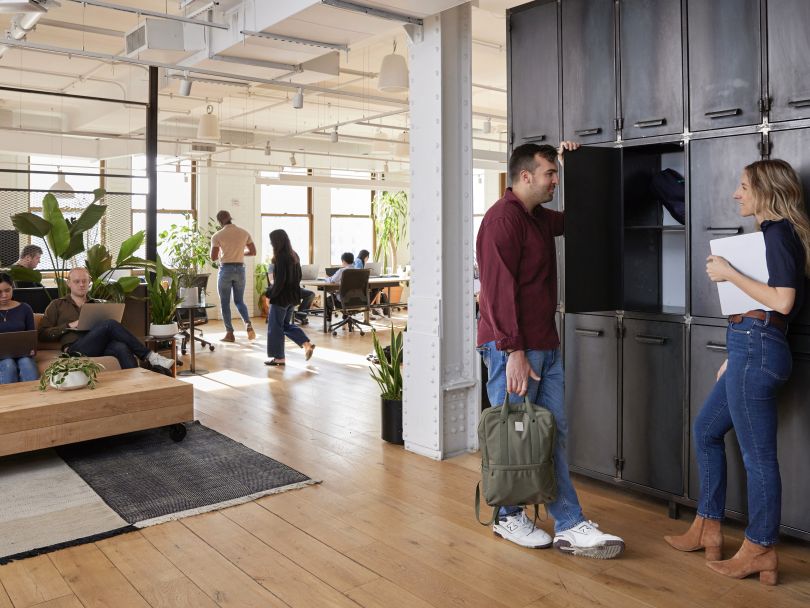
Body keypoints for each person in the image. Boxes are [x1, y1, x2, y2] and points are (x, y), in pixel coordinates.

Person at [476, 142, 625, 559]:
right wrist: (514, 352)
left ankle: (569, 523)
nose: (554, 181)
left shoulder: (538, 218)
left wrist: (575, 164)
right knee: (516, 439)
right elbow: (496, 292)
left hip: (545, 343)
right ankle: (507, 516)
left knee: (551, 434)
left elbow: (580, 219)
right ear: (526, 176)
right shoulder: (501, 222)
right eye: (549, 174)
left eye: (556, 175)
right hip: (515, 347)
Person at [665, 159, 810, 585]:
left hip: (758, 348)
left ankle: (761, 548)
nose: (736, 194)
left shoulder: (779, 232)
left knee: (758, 457)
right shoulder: (776, 233)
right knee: (706, 431)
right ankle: (708, 526)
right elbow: (772, 310)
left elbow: (782, 302)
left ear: (765, 190)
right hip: (752, 345)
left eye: (744, 186)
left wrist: (729, 273)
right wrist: (738, 348)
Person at [39, 267, 175, 374]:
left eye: (84, 281)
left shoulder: (97, 304)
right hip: (76, 349)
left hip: (100, 345)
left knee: (121, 347)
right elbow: (42, 333)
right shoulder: (57, 304)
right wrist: (70, 325)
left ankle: (135, 385)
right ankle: (150, 356)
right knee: (109, 324)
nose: (81, 285)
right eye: (77, 281)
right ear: (69, 283)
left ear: (89, 283)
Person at [265, 229, 315, 366]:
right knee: (285, 325)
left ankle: (279, 358)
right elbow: (298, 277)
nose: (271, 244)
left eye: (272, 241)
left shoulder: (280, 257)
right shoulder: (294, 255)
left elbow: (280, 281)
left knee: (275, 327)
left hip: (281, 298)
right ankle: (306, 344)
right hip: (292, 297)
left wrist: (270, 293)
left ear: (277, 242)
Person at [210, 210, 256, 343]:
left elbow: (213, 257)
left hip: (226, 270)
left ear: (219, 221)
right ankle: (248, 324)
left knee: (225, 302)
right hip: (240, 269)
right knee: (239, 301)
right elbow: (253, 252)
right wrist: (240, 253)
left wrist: (221, 254)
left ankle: (230, 333)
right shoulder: (244, 232)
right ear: (231, 218)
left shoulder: (217, 235)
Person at [0, 272, 38, 384]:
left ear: (13, 288)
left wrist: (32, 350)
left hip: (24, 354)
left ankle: (35, 398)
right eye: (0, 292)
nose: (4, 295)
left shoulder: (25, 308)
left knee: (26, 362)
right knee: (8, 364)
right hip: (1, 357)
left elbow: (31, 335)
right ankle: (9, 400)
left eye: (7, 290)